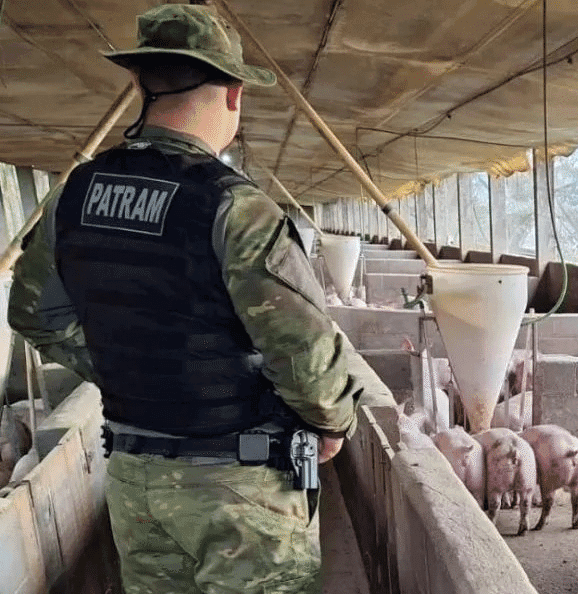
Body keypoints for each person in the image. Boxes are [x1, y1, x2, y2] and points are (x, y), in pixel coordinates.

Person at [8, 4, 366, 592]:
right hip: (240, 493)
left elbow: (30, 313)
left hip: (135, 480)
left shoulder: (73, 195)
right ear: (233, 94)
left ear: (139, 82)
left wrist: (123, 367)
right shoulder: (237, 208)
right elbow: (302, 351)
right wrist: (333, 422)